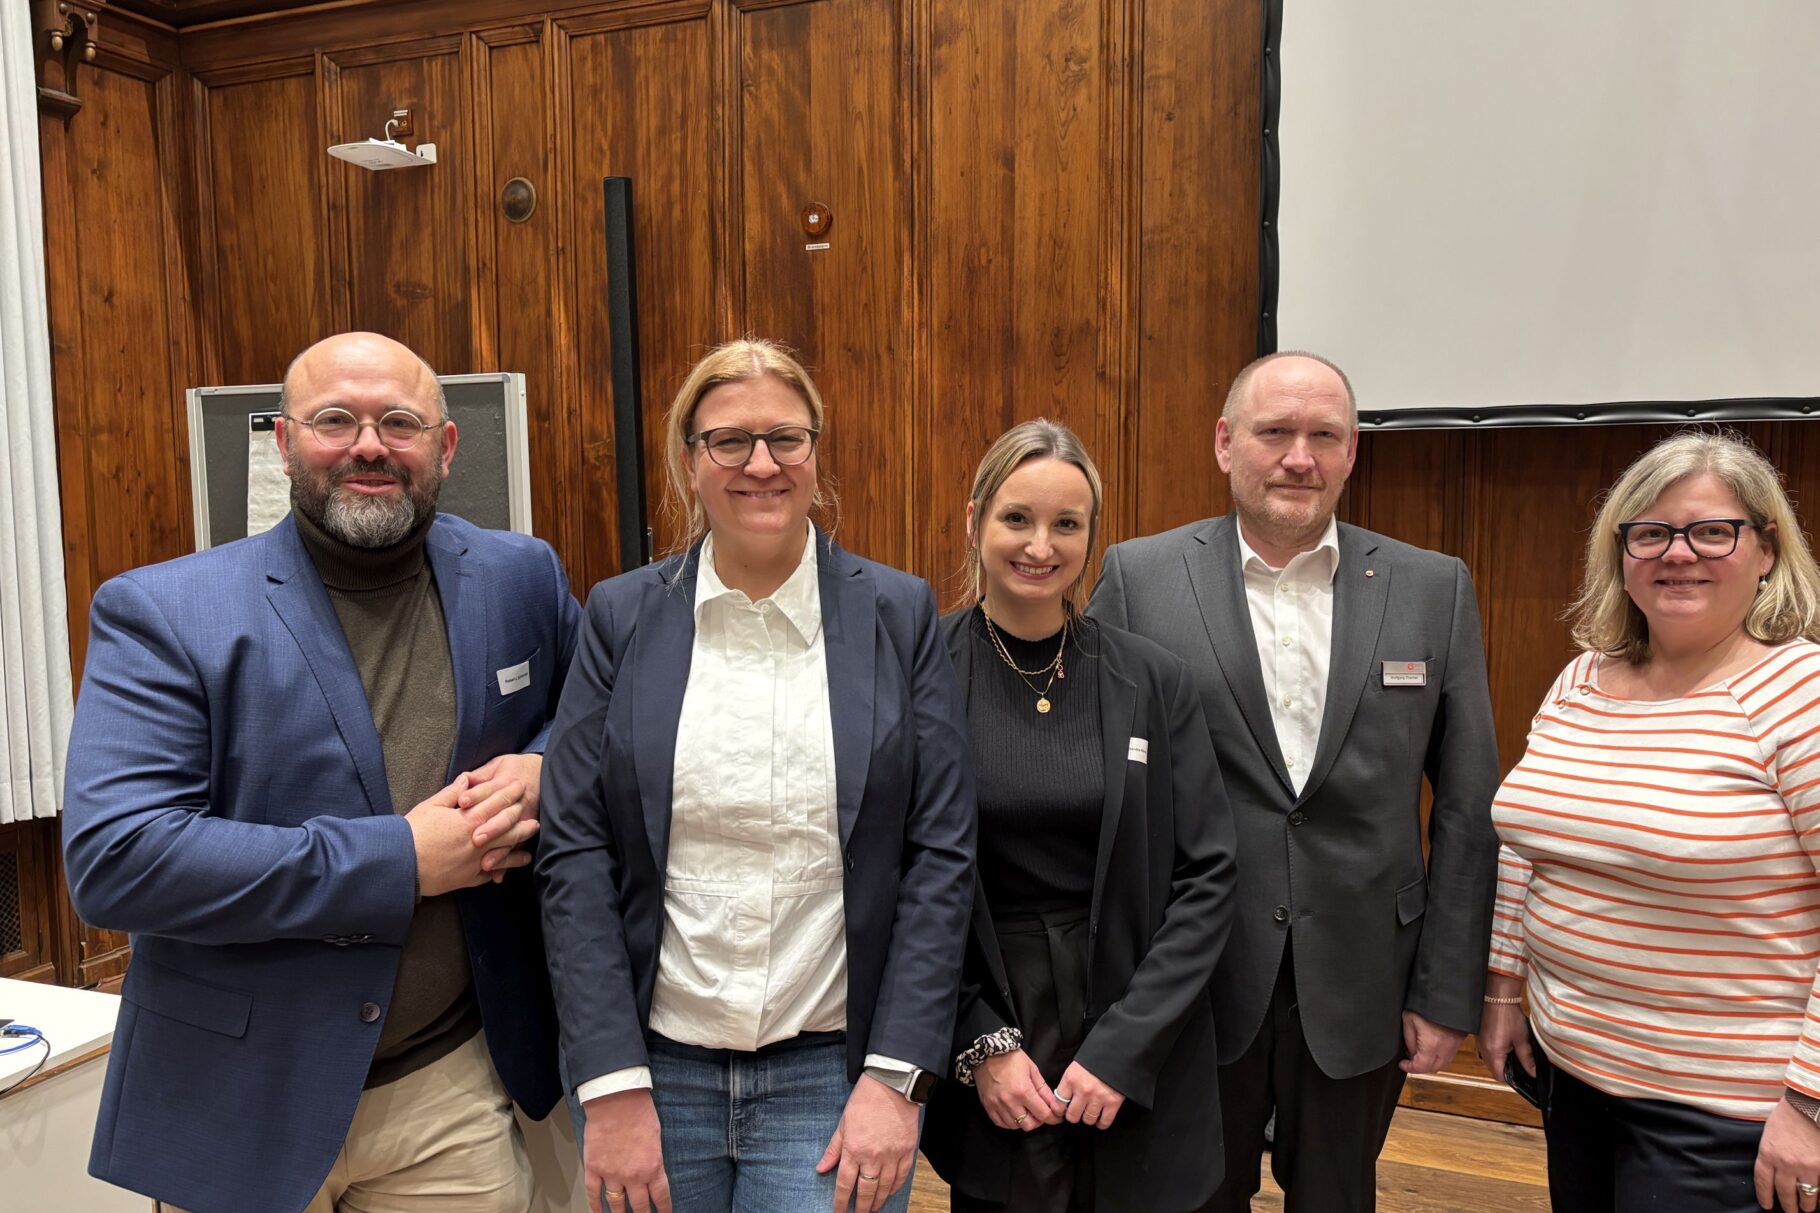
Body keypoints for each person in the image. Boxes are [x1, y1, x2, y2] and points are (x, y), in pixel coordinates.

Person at [61, 331, 581, 1213]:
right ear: (285, 440)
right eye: (335, 419)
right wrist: (401, 862)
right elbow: (119, 859)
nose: (369, 444)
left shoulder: (516, 576)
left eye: (400, 422)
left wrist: (539, 768)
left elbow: (593, 722)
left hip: (450, 1090)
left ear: (446, 447)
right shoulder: (164, 611)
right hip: (239, 1098)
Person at [535, 338, 976, 1213]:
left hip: (833, 1077)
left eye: (786, 437)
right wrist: (609, 1081)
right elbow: (575, 852)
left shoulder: (898, 611)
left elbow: (940, 855)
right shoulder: (623, 614)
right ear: (689, 461)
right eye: (728, 440)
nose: (761, 463)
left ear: (816, 453)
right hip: (653, 1076)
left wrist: (897, 1079)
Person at [1088, 351, 1502, 1212]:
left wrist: (1447, 989)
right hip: (1197, 979)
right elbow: (1101, 792)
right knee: (1195, 1194)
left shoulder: (1434, 588)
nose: (1298, 457)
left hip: (1365, 981)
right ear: (1224, 443)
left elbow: (1466, 808)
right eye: (1274, 432)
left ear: (1353, 452)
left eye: (1325, 435)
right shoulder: (1139, 579)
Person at [1478, 431, 1820, 1213]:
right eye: (1651, 532)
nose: (1678, 553)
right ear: (1621, 550)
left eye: (1712, 530)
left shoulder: (1800, 693)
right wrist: (1504, 991)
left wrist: (1809, 1104)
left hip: (1727, 1110)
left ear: (1767, 549)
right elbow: (1530, 849)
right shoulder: (1583, 677)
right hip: (1575, 1073)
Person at [918, 419, 1238, 1212]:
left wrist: (1127, 1046)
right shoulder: (918, 669)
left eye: (1067, 523)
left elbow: (1208, 873)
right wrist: (980, 1043)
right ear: (974, 520)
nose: (1041, 544)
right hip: (996, 1018)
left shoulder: (1151, 679)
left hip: (1135, 1014)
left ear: (1092, 535)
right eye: (1017, 518)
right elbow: (899, 877)